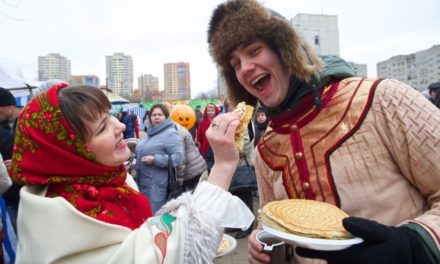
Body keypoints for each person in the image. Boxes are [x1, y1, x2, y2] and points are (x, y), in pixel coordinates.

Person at [207, 1, 440, 263]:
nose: (245, 68)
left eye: (255, 50)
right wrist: (266, 245)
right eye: (235, 64)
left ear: (286, 49)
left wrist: (414, 245)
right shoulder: (266, 149)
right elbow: (274, 227)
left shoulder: (383, 99)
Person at [8, 83, 254, 263]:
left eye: (111, 117)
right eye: (102, 127)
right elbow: (173, 250)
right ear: (68, 153)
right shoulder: (67, 214)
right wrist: (222, 165)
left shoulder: (106, 181)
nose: (121, 126)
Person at [135, 104, 184, 213]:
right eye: (154, 115)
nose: (156, 117)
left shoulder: (170, 133)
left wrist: (155, 160)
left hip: (156, 186)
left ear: (166, 117)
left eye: (160, 115)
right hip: (142, 183)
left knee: (154, 217)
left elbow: (179, 157)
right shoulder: (148, 134)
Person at [0, 87, 21, 234]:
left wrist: (20, 163)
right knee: (22, 242)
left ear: (8, 105)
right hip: (11, 196)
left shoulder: (29, 121)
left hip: (33, 194)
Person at [174, 123, 208, 192]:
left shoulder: (177, 131)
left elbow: (181, 159)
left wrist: (179, 181)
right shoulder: (176, 127)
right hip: (195, 167)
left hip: (191, 172)